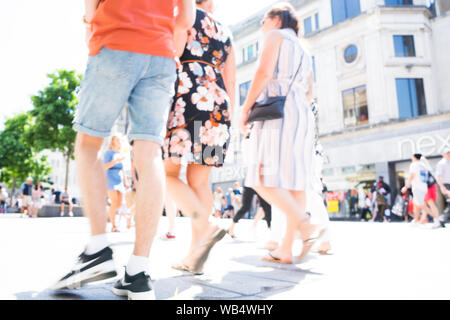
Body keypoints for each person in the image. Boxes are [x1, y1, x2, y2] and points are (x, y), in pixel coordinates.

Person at [51, 0, 197, 300]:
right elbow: (186, 17)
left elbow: (91, 8)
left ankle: (97, 250)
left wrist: (91, 30)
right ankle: (139, 271)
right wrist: (169, 50)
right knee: (150, 153)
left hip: (116, 40)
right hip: (161, 53)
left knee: (89, 144)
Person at [239, 3, 323, 264]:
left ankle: (305, 223)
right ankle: (286, 249)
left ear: (276, 19)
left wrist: (245, 109)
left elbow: (264, 73)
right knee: (295, 180)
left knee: (260, 175)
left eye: (263, 20)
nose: (262, 26)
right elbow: (310, 92)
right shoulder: (303, 48)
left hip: (276, 109)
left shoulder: (275, 36)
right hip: (302, 113)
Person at [163, 0, 234, 275]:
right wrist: (229, 120)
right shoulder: (226, 30)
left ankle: (205, 226)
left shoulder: (184, 13)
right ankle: (195, 255)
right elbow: (230, 77)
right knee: (200, 181)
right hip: (218, 105)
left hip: (188, 97)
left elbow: (174, 53)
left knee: (166, 173)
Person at [103, 135, 127, 232]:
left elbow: (123, 169)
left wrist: (126, 181)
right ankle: (114, 226)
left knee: (118, 204)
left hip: (120, 179)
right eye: (117, 139)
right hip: (110, 178)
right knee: (114, 201)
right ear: (112, 141)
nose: (119, 141)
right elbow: (105, 166)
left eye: (120, 139)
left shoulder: (121, 153)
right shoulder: (108, 153)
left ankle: (105, 217)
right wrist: (116, 161)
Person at [402, 154, 429, 224]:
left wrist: (406, 186)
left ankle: (434, 215)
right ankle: (418, 219)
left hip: (417, 187)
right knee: (417, 203)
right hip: (424, 187)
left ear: (414, 157)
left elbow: (411, 176)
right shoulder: (423, 165)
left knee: (419, 204)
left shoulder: (414, 165)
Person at [436, 148, 450, 223]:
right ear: (443, 154)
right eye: (447, 153)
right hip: (446, 185)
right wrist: (442, 187)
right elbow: (438, 177)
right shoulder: (441, 163)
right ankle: (441, 219)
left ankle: (442, 220)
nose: (449, 154)